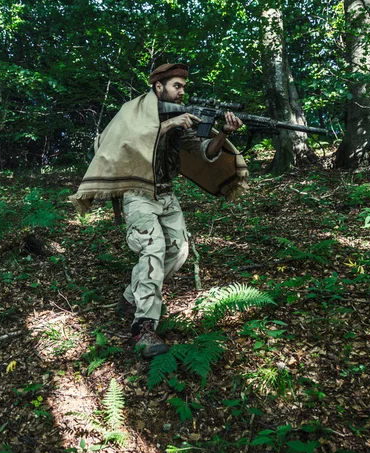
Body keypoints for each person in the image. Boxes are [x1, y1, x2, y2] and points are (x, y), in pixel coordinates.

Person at [70, 63, 248, 359]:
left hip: (166, 193)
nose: (182, 92)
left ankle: (131, 297)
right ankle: (143, 327)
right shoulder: (133, 111)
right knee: (152, 249)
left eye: (183, 87)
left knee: (179, 250)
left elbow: (204, 152)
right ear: (158, 87)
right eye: (177, 86)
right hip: (138, 194)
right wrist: (168, 124)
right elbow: (123, 142)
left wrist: (224, 133)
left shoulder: (179, 116)